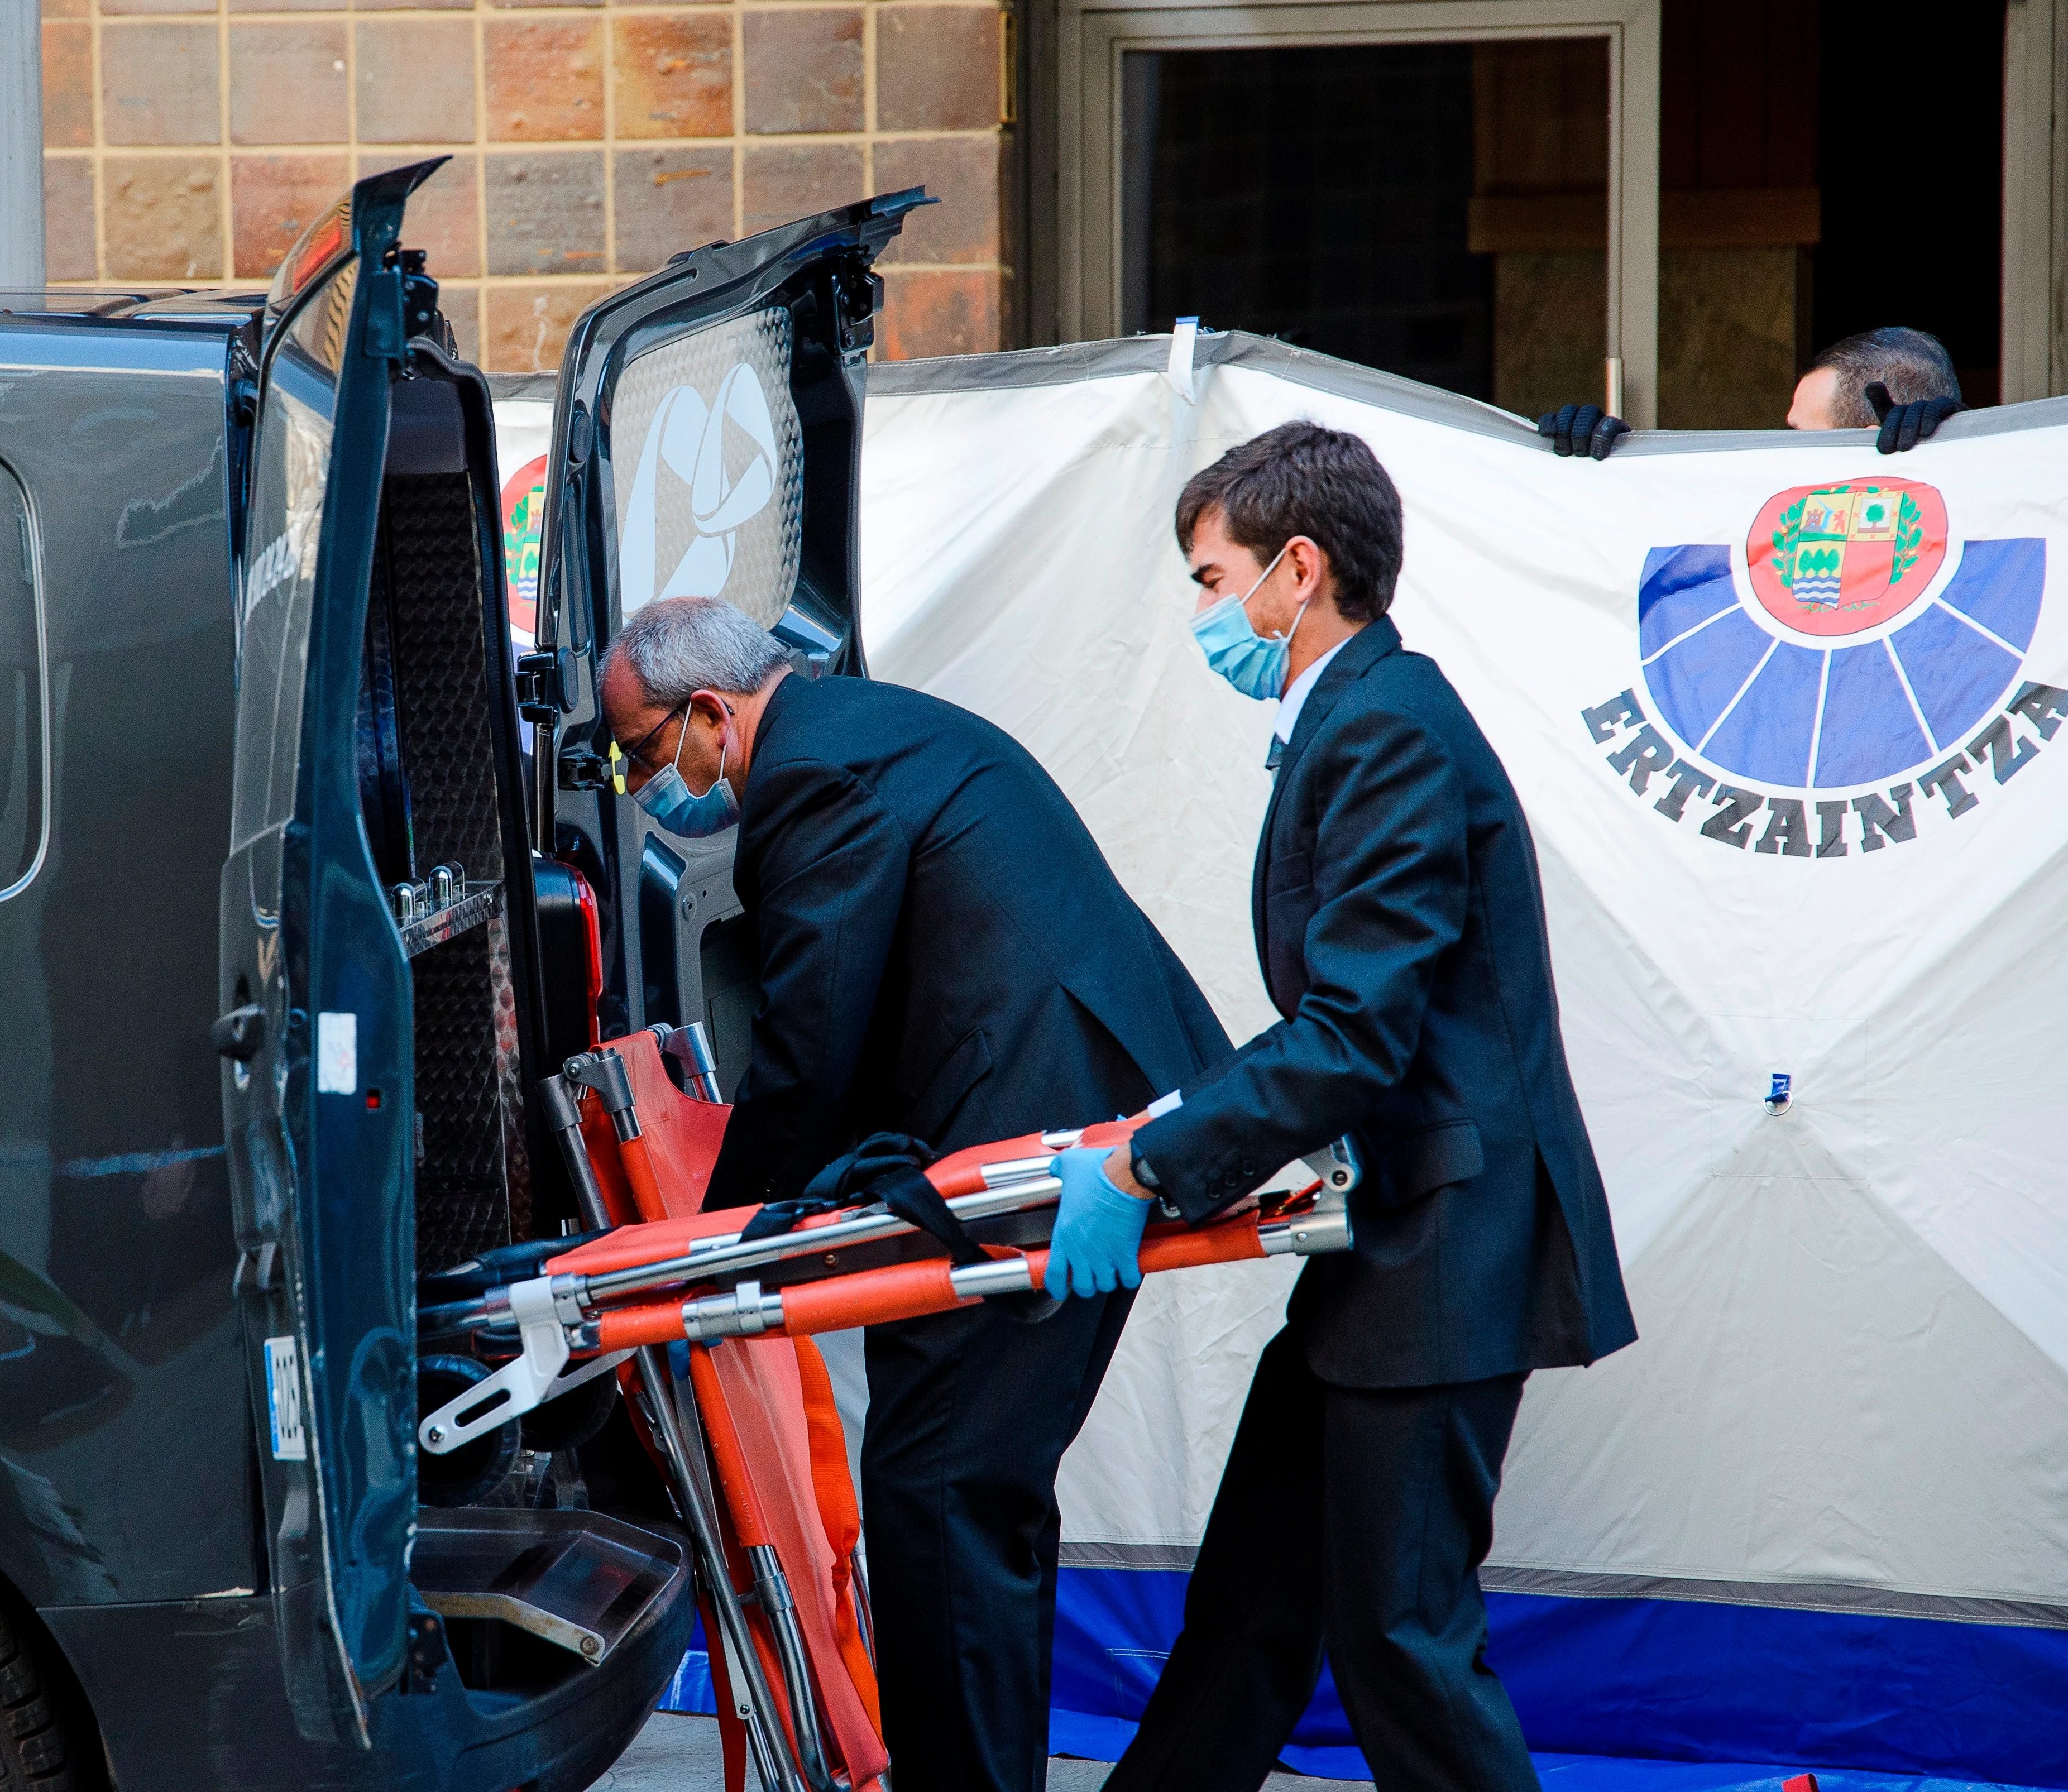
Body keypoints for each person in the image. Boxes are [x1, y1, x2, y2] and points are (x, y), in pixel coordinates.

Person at [1046, 423, 1638, 1792]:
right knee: (1258, 1593)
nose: (1205, 612)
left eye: (1211, 579)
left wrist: (1150, 1162)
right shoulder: (1353, 720)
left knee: (1401, 1634)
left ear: (1296, 569)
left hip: (1445, 1252)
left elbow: (1356, 1030)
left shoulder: (1385, 730)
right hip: (1393, 1251)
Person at [597, 595, 1232, 1792]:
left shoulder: (809, 779)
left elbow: (812, 1038)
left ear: (710, 714)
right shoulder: (860, 733)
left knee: (941, 1490)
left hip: (1057, 1127)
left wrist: (707, 1241)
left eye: (640, 753)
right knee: (968, 1489)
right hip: (1063, 1100)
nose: (640, 788)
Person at [1537, 323, 1966, 459]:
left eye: (1801, 436)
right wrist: (1600, 475)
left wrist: (1956, 458)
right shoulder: (1773, 529)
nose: (1785, 450)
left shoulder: (1983, 523)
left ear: (1870, 434)